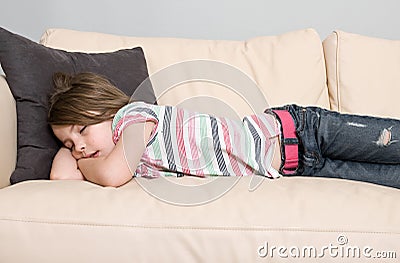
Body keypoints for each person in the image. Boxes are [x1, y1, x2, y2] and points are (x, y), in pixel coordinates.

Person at [48, 72, 400, 189]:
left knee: (390, 143)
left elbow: (109, 175)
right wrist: (70, 149)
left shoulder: (134, 119)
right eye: (68, 142)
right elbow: (62, 184)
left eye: (82, 129)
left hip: (303, 130)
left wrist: (80, 160)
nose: (78, 147)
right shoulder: (135, 160)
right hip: (300, 168)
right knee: (386, 179)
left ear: (107, 109)